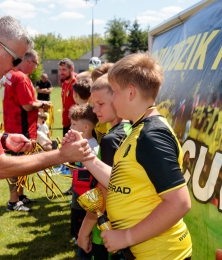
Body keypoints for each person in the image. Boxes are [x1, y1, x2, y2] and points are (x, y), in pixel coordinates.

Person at [0, 15, 92, 260]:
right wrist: (62, 155)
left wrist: (2, 138)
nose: (14, 68)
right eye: (15, 59)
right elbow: (0, 167)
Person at [67, 53, 192, 259]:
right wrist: (87, 155)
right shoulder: (137, 128)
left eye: (114, 92)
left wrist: (127, 236)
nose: (112, 99)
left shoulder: (151, 136)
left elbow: (179, 203)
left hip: (161, 254)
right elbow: (119, 181)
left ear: (131, 92)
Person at [78, 74, 132, 260]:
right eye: (94, 104)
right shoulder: (132, 129)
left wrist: (84, 231)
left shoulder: (111, 140)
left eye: (101, 104)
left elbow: (105, 191)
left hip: (106, 231)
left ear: (118, 99)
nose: (95, 110)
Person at [3, 50, 52, 212]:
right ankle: (13, 201)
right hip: (21, 126)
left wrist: (36, 102)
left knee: (21, 163)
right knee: (17, 164)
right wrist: (43, 104)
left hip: (13, 123)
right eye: (36, 63)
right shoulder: (22, 78)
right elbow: (27, 105)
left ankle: (20, 196)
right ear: (29, 62)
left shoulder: (11, 73)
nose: (36, 67)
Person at [68, 103, 99, 260]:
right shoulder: (77, 145)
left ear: (86, 127)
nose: (70, 127)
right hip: (77, 195)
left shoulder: (93, 148)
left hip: (87, 199)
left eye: (73, 124)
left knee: (83, 223)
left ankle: (84, 246)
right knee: (76, 220)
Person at [59, 58, 77, 136]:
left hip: (75, 123)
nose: (61, 72)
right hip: (65, 121)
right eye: (60, 69)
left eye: (64, 70)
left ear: (72, 69)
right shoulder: (64, 83)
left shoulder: (76, 84)